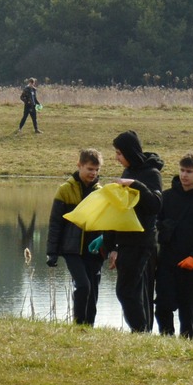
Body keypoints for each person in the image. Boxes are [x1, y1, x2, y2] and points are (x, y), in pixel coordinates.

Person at [105, 129, 163, 333]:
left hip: (143, 242)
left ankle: (140, 331)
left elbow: (156, 205)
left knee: (126, 291)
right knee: (131, 291)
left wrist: (135, 185)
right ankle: (140, 331)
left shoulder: (151, 174)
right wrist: (111, 247)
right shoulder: (126, 173)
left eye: (119, 153)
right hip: (125, 242)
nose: (116, 158)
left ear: (129, 152)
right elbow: (118, 211)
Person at [154, 150, 193, 338]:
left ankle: (186, 348)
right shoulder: (166, 197)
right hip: (166, 262)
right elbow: (155, 224)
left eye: (189, 171)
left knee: (188, 314)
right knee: (162, 308)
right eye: (181, 170)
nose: (184, 175)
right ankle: (166, 342)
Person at [45, 148, 105, 325]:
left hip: (94, 250)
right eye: (89, 169)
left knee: (93, 290)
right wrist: (52, 252)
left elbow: (106, 224)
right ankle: (78, 325)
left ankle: (89, 327)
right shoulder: (65, 190)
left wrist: (109, 247)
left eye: (96, 170)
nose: (93, 173)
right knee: (83, 286)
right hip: (72, 249)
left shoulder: (100, 192)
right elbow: (56, 223)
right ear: (79, 165)